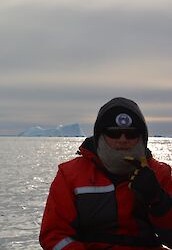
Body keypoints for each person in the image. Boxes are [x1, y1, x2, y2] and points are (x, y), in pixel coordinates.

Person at [39, 97, 172, 250]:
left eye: (131, 134)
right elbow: (54, 235)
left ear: (142, 138)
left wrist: (158, 201)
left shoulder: (160, 174)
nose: (123, 139)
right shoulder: (70, 175)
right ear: (99, 136)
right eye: (113, 133)